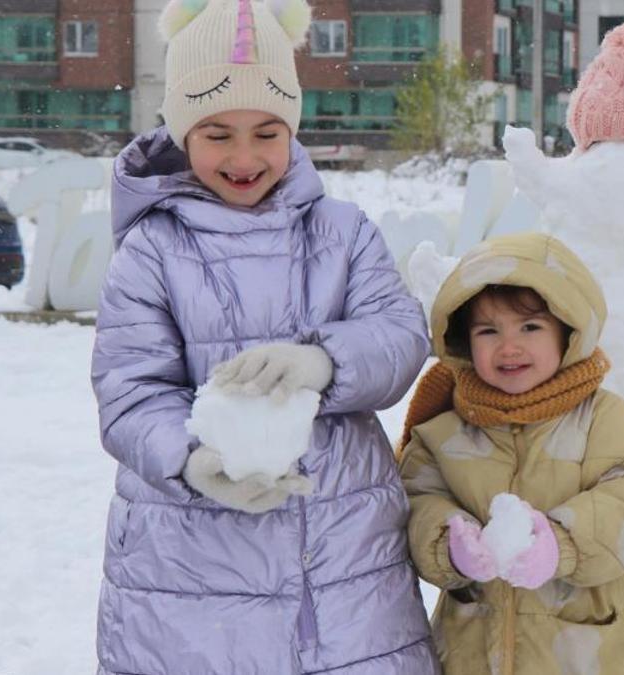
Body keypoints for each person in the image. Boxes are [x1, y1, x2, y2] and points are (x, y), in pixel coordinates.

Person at [90, 1, 437, 672]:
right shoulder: (151, 251)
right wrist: (191, 462)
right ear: (182, 129)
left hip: (344, 574)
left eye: (267, 131)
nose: (245, 156)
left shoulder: (343, 232)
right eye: (217, 133)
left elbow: (399, 336)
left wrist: (323, 362)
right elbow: (129, 390)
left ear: (295, 129)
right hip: (189, 572)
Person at [398, 233, 624, 674]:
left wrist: (562, 543)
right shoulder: (445, 431)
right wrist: (449, 543)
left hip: (588, 652)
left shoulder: (604, 419)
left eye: (530, 327)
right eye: (489, 331)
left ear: (568, 333)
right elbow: (415, 500)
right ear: (465, 343)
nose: (509, 347)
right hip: (475, 653)